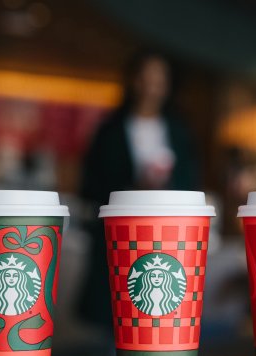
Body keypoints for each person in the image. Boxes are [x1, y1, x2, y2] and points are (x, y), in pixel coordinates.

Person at [79, 51, 200, 329]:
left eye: (158, 79)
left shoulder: (179, 132)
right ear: (133, 81)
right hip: (117, 237)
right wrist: (131, 188)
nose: (151, 86)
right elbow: (89, 186)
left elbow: (191, 184)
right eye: (145, 78)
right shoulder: (109, 131)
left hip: (168, 236)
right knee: (116, 317)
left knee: (159, 314)